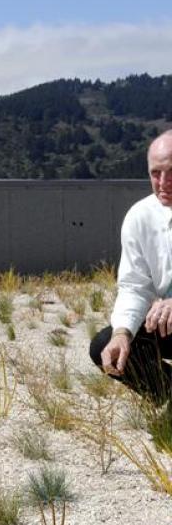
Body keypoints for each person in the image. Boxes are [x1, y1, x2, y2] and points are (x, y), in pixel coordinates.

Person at [89, 129, 172, 404]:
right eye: (155, 173)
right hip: (166, 323)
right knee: (104, 345)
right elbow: (135, 286)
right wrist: (122, 333)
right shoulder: (140, 217)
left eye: (171, 172)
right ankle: (168, 396)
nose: (163, 182)